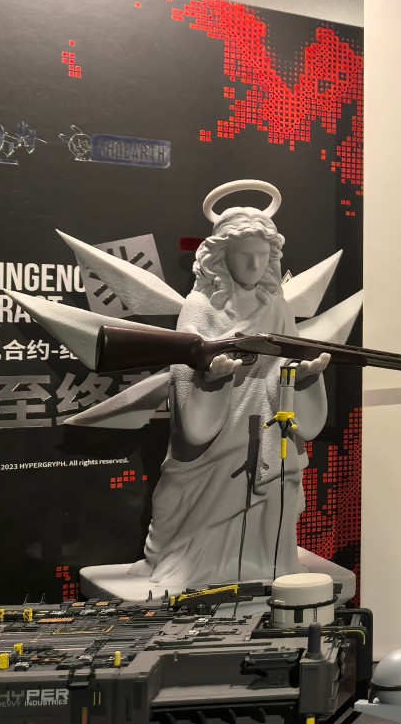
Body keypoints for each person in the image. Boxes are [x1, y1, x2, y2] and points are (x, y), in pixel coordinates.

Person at [133, 189, 330, 592]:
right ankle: (187, 561)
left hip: (267, 419)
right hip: (218, 425)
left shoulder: (276, 305)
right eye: (245, 255)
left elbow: (289, 357)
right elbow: (184, 365)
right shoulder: (199, 306)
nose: (255, 265)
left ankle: (268, 561)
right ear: (221, 256)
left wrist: (303, 375)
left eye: (262, 255)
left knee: (269, 495)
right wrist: (210, 377)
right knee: (187, 491)